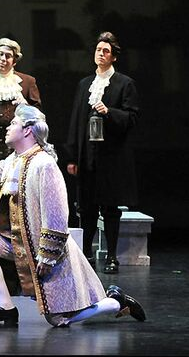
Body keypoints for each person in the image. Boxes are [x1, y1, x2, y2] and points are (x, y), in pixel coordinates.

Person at [0, 104, 146, 328]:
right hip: (18, 244)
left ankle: (115, 302)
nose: (8, 126)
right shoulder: (14, 161)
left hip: (45, 252)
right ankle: (5, 306)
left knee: (59, 319)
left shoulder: (43, 164)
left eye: (14, 123)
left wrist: (47, 256)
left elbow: (56, 214)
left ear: (27, 130)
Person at [62, 31, 141, 274]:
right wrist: (72, 157)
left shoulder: (124, 83)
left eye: (106, 51)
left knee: (109, 209)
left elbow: (132, 117)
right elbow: (76, 120)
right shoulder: (85, 84)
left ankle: (112, 257)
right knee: (85, 208)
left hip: (112, 157)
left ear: (114, 56)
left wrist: (109, 112)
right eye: (98, 50)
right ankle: (85, 254)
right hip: (87, 156)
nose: (101, 54)